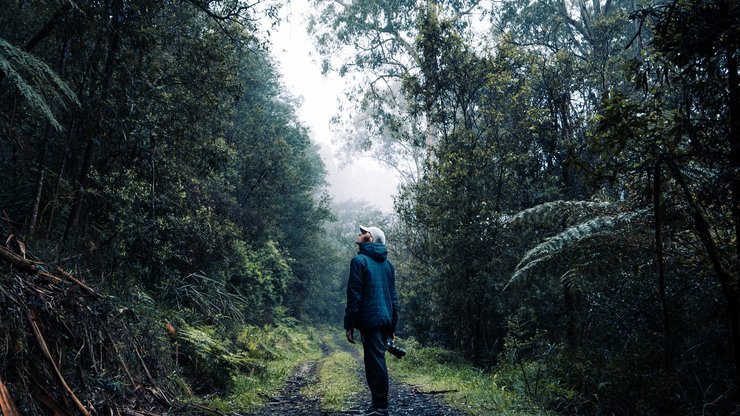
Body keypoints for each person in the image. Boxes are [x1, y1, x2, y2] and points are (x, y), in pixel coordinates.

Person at [344, 225, 399, 416]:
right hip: (384, 319)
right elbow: (393, 298)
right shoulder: (388, 265)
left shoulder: (359, 261)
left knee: (374, 362)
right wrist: (393, 326)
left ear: (371, 239)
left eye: (364, 232)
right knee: (376, 360)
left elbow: (354, 295)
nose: (360, 234)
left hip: (370, 319)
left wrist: (349, 324)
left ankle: (381, 408)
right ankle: (378, 404)